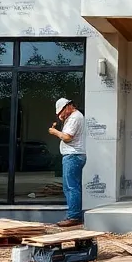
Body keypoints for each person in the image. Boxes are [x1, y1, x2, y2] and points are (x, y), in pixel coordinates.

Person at [48, 97, 86, 227]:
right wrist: (64, 119)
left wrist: (55, 132)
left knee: (71, 187)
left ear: (68, 106)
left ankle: (74, 217)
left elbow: (67, 137)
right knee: (71, 187)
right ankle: (74, 215)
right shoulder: (73, 117)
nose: (61, 115)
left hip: (73, 155)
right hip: (74, 156)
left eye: (61, 112)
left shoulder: (74, 118)